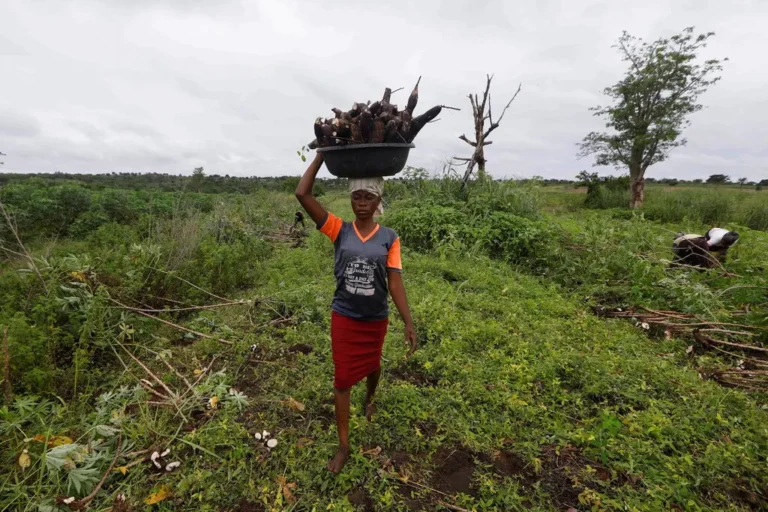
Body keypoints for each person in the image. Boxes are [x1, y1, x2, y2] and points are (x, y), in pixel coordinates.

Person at [295, 152, 418, 474]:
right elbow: (302, 194)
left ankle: (371, 397)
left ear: (378, 201)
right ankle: (344, 445)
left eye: (369, 197)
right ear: (351, 201)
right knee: (342, 380)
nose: (362, 202)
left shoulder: (390, 237)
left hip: (376, 318)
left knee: (374, 363)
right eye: (357, 197)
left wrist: (408, 321)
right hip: (345, 317)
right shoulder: (339, 229)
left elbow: (394, 281)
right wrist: (322, 155)